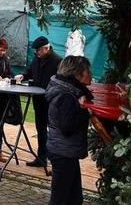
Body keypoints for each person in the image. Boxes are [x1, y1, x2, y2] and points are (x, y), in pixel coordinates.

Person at [46, 56, 93, 205]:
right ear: (77, 74)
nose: (90, 74)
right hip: (63, 152)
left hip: (64, 151)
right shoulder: (67, 95)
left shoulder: (70, 91)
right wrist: (84, 111)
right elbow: (67, 127)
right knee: (60, 199)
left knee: (74, 198)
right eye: (88, 70)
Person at [15, 36, 63, 167]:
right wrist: (23, 75)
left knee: (53, 131)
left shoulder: (58, 61)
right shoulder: (37, 59)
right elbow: (30, 71)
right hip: (38, 100)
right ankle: (42, 158)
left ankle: (55, 160)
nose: (37, 53)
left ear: (46, 48)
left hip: (51, 102)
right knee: (40, 129)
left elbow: (61, 82)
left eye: (39, 50)